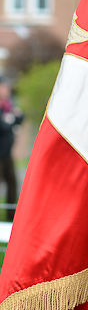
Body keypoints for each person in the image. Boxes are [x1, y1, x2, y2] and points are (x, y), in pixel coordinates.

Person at [0, 78, 23, 221]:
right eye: (4, 88)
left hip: (7, 154)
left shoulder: (9, 104)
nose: (6, 90)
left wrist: (12, 118)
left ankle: (11, 217)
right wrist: (12, 119)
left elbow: (20, 117)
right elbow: (3, 127)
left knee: (12, 184)